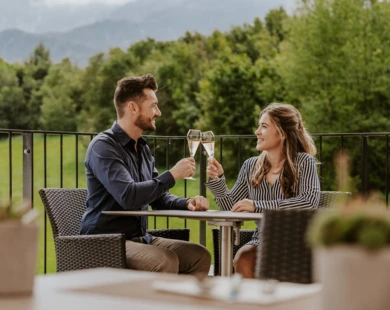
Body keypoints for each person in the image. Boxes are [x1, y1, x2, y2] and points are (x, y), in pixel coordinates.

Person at [80, 74, 211, 275]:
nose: (158, 112)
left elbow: (158, 198)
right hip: (105, 241)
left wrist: (186, 203)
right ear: (133, 108)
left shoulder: (141, 148)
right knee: (164, 260)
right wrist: (173, 174)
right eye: (153, 106)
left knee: (198, 255)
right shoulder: (103, 147)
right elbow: (128, 196)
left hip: (139, 238)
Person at [205, 103, 320, 278]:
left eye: (264, 126)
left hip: (298, 242)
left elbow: (309, 202)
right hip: (263, 240)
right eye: (259, 126)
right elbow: (231, 206)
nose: (257, 132)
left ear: (282, 133)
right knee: (243, 258)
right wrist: (218, 179)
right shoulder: (251, 165)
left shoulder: (304, 162)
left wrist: (257, 205)